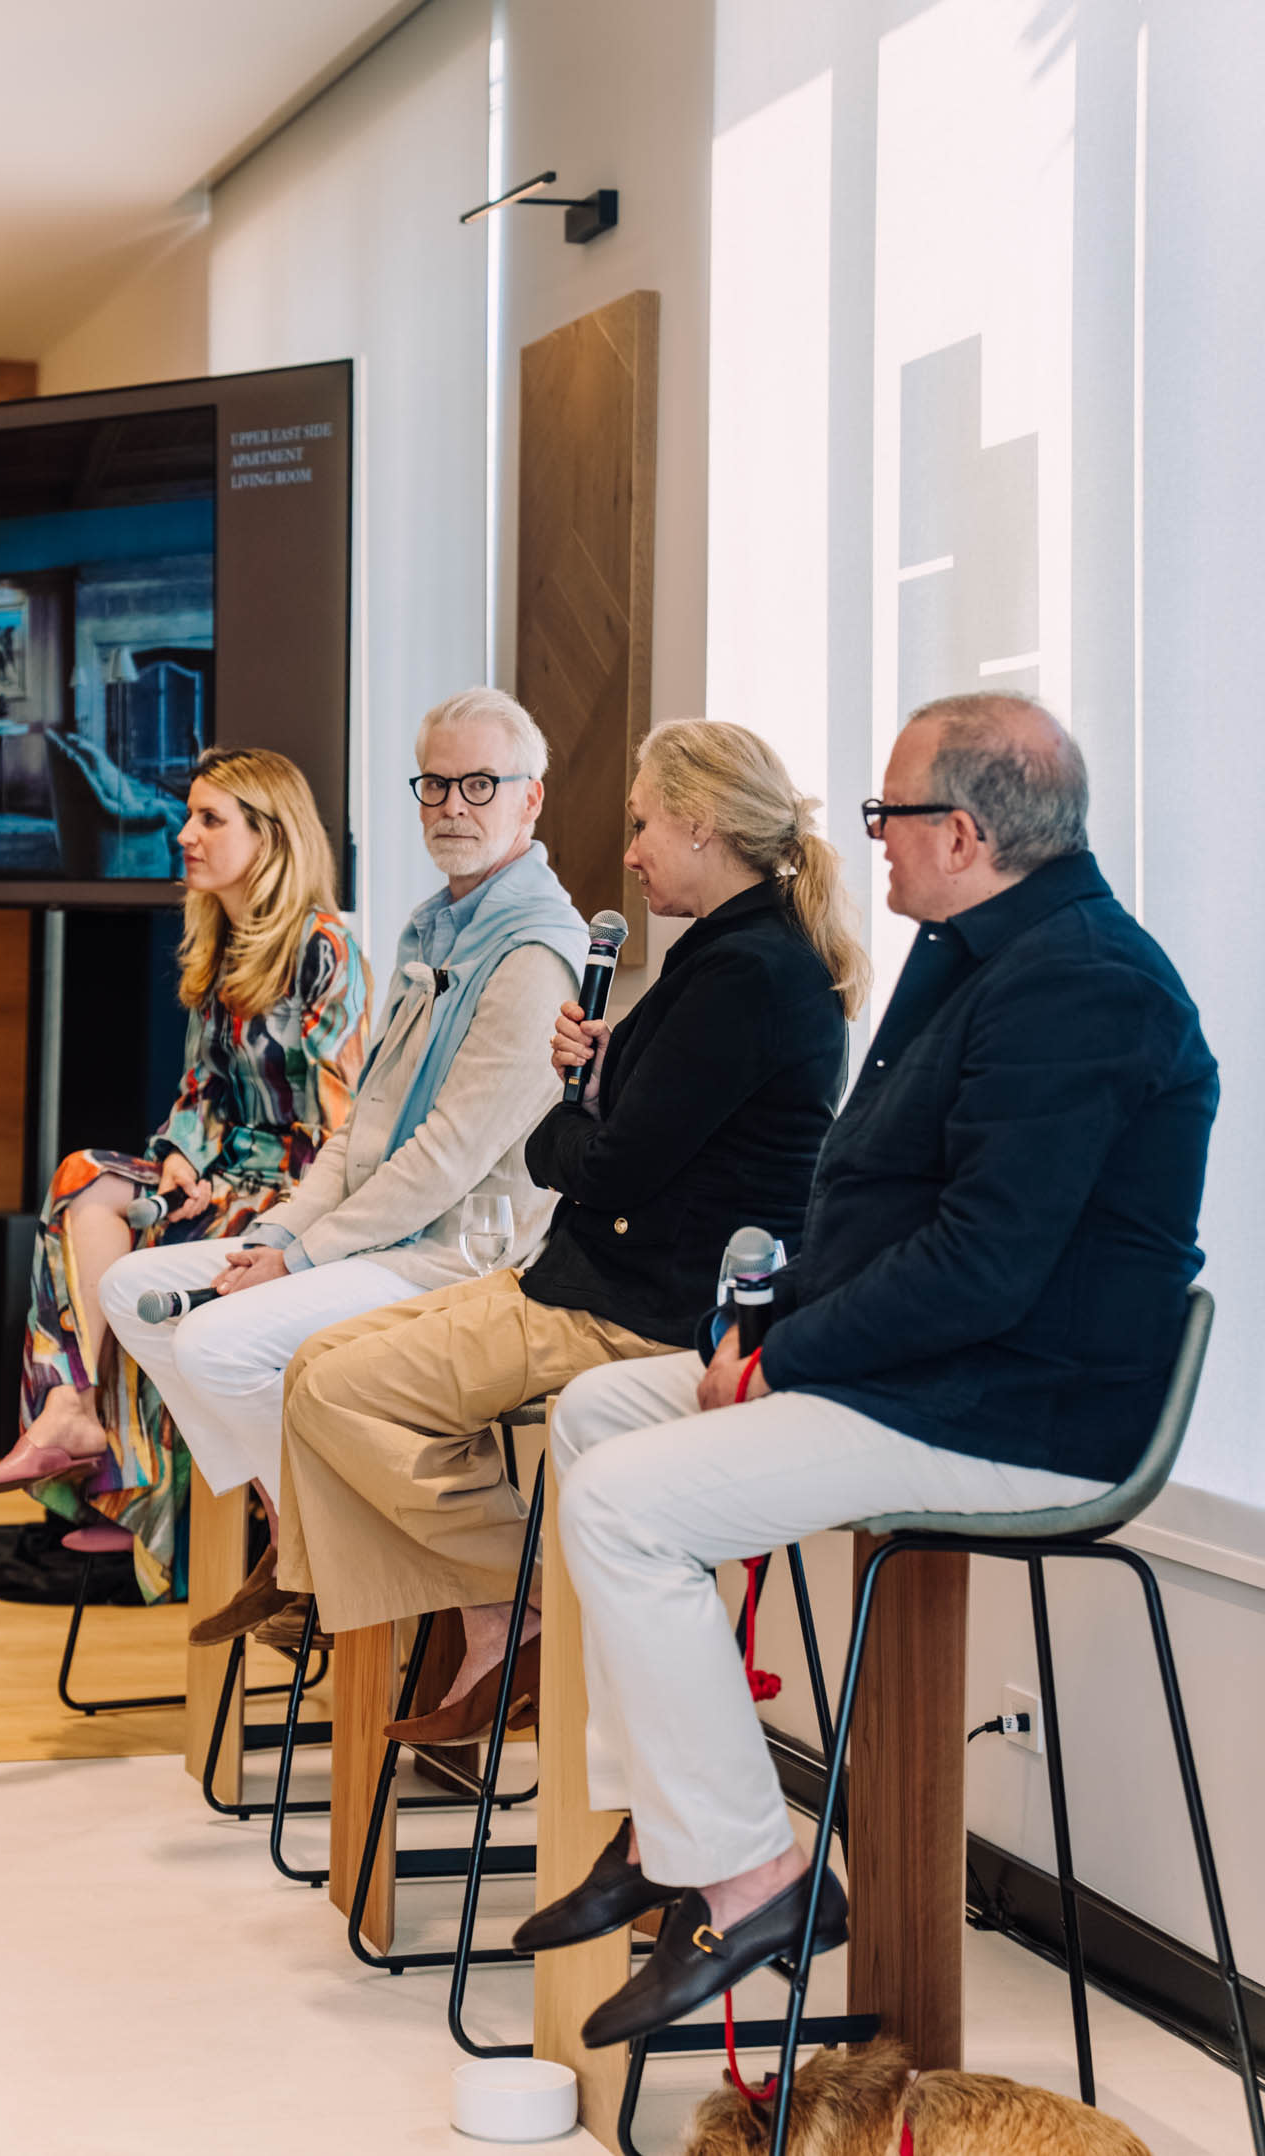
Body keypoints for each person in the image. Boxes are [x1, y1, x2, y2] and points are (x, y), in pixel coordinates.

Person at [527, 692, 1219, 2053]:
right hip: (932, 1371)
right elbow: (868, 1199)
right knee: (600, 1410)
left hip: (1020, 1408)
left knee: (623, 1506)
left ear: (961, 831)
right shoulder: (975, 949)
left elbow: (984, 1266)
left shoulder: (1083, 983)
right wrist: (762, 1323)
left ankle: (755, 1877)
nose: (871, 844)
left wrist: (787, 1356)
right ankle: (674, 1834)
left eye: (888, 817)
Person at [271, 718, 870, 1739]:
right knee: (314, 1361)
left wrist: (572, 1112)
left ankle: (529, 1598)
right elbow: (616, 1141)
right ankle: (487, 1602)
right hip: (595, 1275)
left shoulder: (748, 975)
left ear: (704, 825)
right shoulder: (726, 957)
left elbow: (600, 1163)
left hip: (637, 1308)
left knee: (329, 1385)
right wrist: (594, 1086)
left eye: (643, 824)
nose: (629, 851)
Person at [98, 687, 589, 1644]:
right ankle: (308, 1548)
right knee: (130, 1285)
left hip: (459, 1257)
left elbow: (444, 1160)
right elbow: (356, 1133)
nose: (453, 804)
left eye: (480, 785)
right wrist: (279, 1231)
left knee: (216, 1344)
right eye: (436, 783)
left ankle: (388, 1581)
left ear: (530, 801)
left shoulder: (533, 954)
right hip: (373, 1234)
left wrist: (301, 1257)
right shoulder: (432, 932)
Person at [0, 746, 369, 1604]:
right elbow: (198, 1095)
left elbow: (345, 1129)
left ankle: (122, 1468)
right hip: (221, 1178)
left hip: (293, 1199)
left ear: (271, 836)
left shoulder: (327, 952)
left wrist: (269, 1211)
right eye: (189, 815)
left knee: (114, 1245)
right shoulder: (221, 946)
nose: (181, 833)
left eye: (208, 819)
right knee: (83, 1183)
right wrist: (184, 1156)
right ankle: (86, 1421)